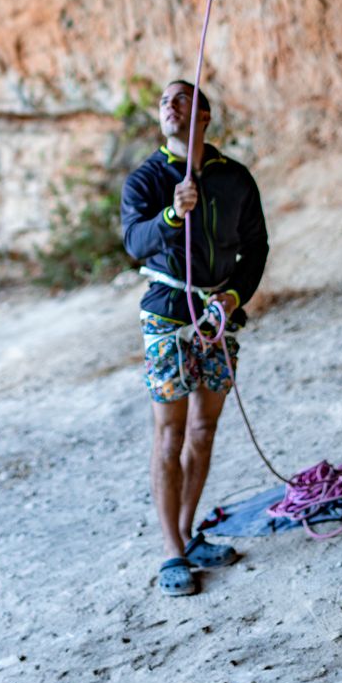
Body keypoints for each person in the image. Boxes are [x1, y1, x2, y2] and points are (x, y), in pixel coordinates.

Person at [120, 79, 269, 596]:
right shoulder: (146, 180)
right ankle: (170, 554)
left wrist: (233, 297)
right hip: (166, 315)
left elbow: (257, 246)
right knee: (169, 434)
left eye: (181, 97)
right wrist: (171, 214)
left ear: (204, 115)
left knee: (204, 430)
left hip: (216, 315)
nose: (169, 104)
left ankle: (186, 534)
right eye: (164, 100)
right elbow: (134, 243)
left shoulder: (235, 179)